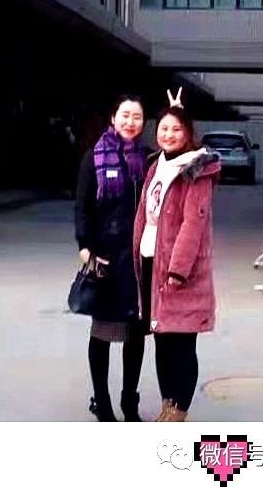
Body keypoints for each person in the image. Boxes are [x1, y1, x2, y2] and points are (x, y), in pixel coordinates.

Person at [132, 88, 221, 422]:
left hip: (178, 270)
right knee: (162, 339)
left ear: (188, 134)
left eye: (176, 129)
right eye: (164, 128)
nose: (168, 134)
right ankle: (167, 403)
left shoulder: (196, 170)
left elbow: (192, 224)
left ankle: (179, 409)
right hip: (150, 261)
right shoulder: (156, 165)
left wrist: (177, 270)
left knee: (181, 343)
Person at [74, 95, 150, 421]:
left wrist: (178, 114)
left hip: (138, 261)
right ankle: (102, 402)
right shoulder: (94, 157)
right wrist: (85, 247)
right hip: (105, 258)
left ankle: (129, 402)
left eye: (137, 116)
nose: (130, 122)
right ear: (113, 118)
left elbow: (187, 159)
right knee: (102, 333)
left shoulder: (148, 158)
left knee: (135, 335)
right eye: (125, 115)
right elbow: (82, 206)